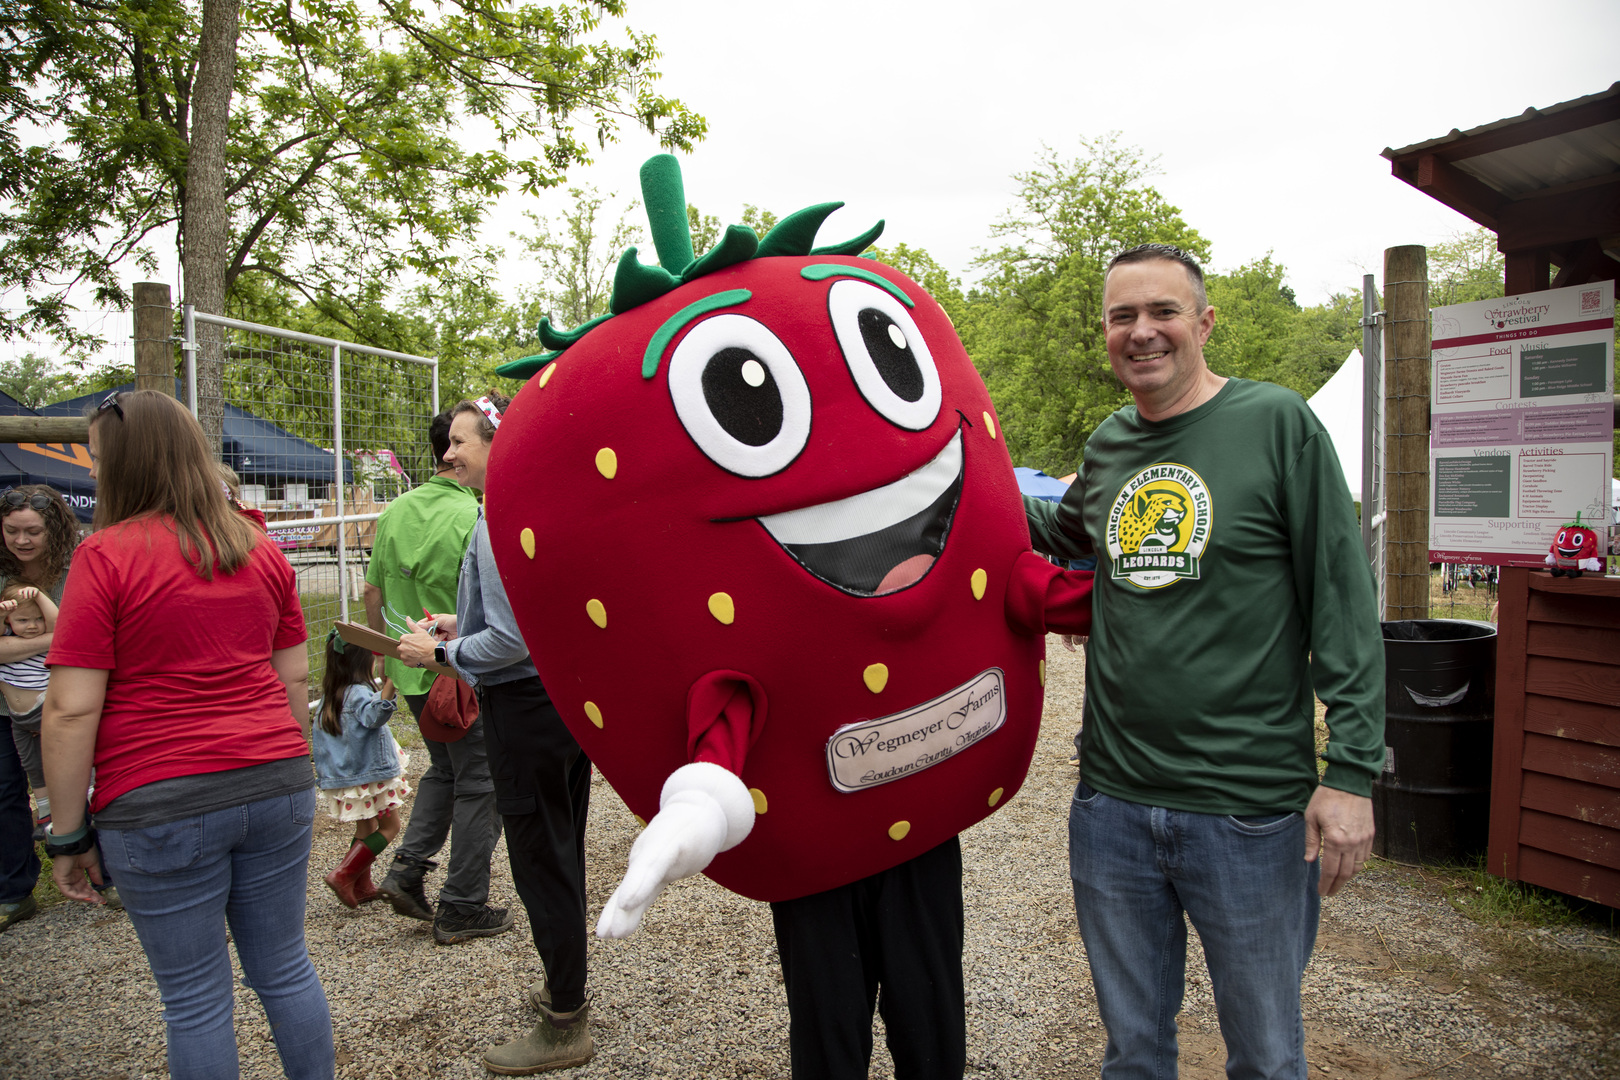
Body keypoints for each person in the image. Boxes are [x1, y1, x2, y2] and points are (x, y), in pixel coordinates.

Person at [1024, 244, 1384, 1079]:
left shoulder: (1276, 424)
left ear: (1204, 322)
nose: (1142, 332)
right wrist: (945, 474)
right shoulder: (1110, 444)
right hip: (1112, 808)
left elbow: (1341, 600)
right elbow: (1059, 534)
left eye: (1162, 312)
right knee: (1134, 1051)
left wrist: (1355, 772)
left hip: (1248, 812)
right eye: (1123, 317)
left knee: (1263, 1054)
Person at [42, 389, 334, 1080]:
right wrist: (284, 765)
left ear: (127, 464)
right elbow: (294, 680)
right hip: (275, 779)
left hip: (157, 796)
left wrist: (67, 832)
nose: (91, 472)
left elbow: (71, 709)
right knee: (286, 966)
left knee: (195, 999)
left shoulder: (104, 557)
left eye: (98, 458)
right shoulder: (257, 547)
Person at [398, 394, 594, 1075]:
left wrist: (442, 656)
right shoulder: (535, 505)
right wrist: (462, 624)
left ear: (496, 443)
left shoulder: (501, 516)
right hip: (560, 703)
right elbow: (524, 616)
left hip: (524, 710)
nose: (447, 453)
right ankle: (565, 986)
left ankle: (566, 1020)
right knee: (560, 849)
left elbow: (510, 639)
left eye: (459, 441)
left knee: (540, 858)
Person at [363, 409, 499, 926]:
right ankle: (463, 902)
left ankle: (406, 870)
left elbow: (373, 588)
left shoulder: (397, 509)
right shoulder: (475, 516)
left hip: (412, 667)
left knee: (444, 771)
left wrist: (384, 660)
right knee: (480, 780)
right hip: (462, 670)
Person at [0, 484, 79, 842]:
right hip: (7, 708)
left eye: (33, 531)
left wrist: (15, 644)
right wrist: (57, 639)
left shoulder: (77, 568)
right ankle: (14, 892)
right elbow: (73, 637)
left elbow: (90, 638)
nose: (22, 540)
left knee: (84, 784)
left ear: (54, 530)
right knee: (6, 793)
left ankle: (102, 875)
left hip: (68, 700)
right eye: (11, 530)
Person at [312, 629, 411, 907]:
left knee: (366, 827)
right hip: (371, 775)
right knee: (390, 827)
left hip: (349, 778)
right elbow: (374, 717)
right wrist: (391, 684)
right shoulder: (358, 693)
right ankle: (344, 873)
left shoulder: (330, 697)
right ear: (361, 662)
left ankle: (362, 884)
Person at [0, 582, 57, 834]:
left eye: (37, 619)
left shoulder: (43, 643)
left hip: (45, 708)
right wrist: (2, 614)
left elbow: (58, 623)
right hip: (18, 719)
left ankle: (90, 792)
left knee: (66, 752)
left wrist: (40, 596)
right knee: (32, 764)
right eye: (23, 620)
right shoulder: (8, 638)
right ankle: (45, 811)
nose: (32, 626)